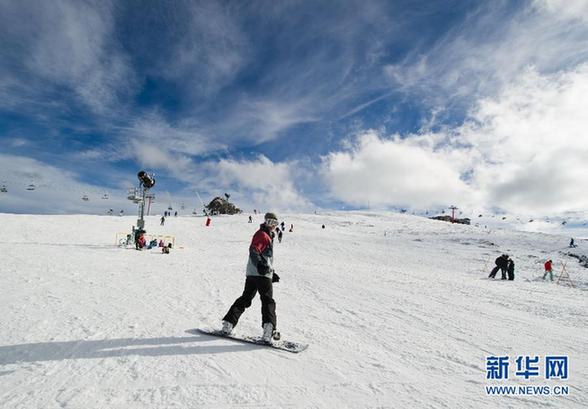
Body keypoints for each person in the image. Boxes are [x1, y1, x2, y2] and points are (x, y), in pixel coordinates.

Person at [221, 212, 281, 342]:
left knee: (246, 298)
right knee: (267, 300)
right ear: (265, 222)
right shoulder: (262, 235)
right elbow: (254, 251)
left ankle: (228, 323)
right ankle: (268, 330)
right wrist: (261, 266)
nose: (272, 226)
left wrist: (272, 272)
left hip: (253, 274)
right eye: (270, 222)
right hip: (261, 274)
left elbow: (265, 257)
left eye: (274, 223)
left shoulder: (267, 236)